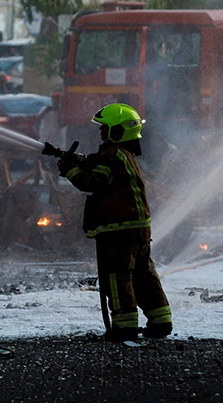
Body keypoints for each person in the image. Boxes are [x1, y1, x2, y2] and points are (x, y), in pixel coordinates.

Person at [43, 103, 172, 341]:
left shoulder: (112, 156)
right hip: (137, 229)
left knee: (117, 278)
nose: (101, 132)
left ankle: (124, 327)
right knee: (144, 277)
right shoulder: (124, 155)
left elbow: (92, 183)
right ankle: (160, 321)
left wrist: (69, 170)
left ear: (119, 131)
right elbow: (93, 162)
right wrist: (65, 155)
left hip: (118, 231)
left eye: (105, 128)